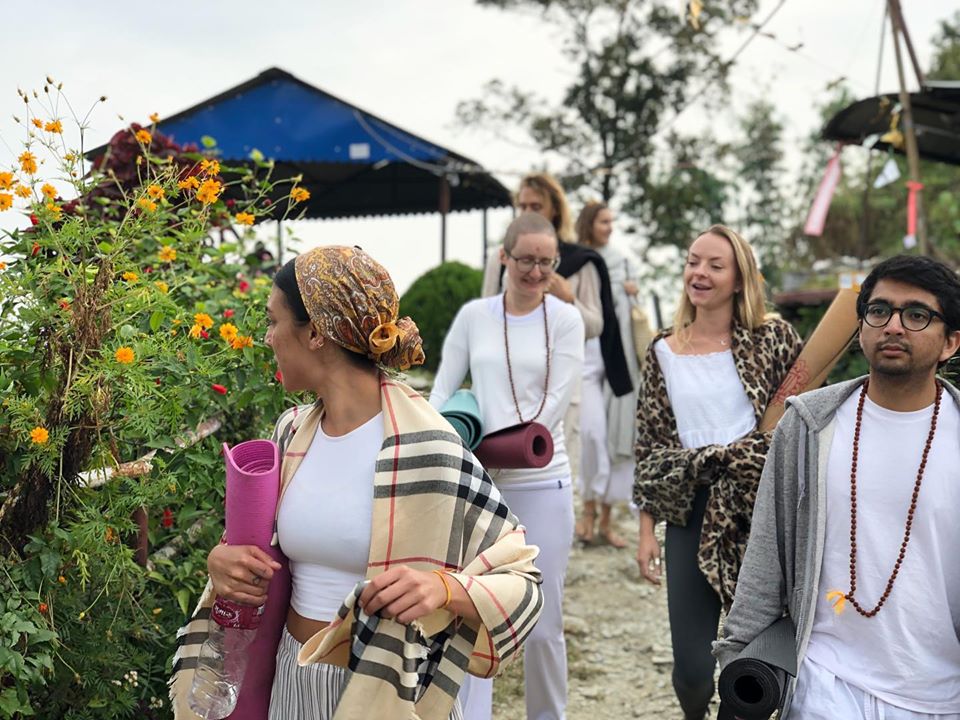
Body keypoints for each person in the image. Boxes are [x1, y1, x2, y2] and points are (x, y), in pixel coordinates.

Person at [169, 246, 544, 720]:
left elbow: (523, 580)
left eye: (273, 321)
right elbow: (259, 552)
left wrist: (445, 589)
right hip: (293, 680)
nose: (267, 338)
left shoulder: (428, 448)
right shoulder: (291, 433)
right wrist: (221, 561)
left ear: (316, 334)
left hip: (383, 692)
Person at [715, 254, 960, 719]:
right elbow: (766, 554)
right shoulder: (809, 426)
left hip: (938, 695)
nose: (893, 326)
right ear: (861, 326)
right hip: (824, 683)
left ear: (950, 342)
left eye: (917, 315)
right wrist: (737, 659)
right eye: (880, 311)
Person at [633, 225, 803, 720]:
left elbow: (804, 422)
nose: (699, 273)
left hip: (762, 506)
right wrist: (647, 530)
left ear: (738, 279)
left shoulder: (773, 338)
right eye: (693, 261)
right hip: (692, 508)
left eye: (714, 265)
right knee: (690, 664)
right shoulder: (662, 350)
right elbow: (651, 445)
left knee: (754, 650)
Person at [432, 212, 585, 720]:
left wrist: (505, 446)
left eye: (546, 262)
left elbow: (556, 402)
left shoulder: (565, 318)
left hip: (543, 477)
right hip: (479, 483)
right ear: (504, 257)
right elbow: (441, 392)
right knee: (471, 611)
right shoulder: (475, 315)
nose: (535, 271)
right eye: (526, 260)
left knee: (544, 621)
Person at [481, 173, 633, 491]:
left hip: (562, 387)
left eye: (535, 205)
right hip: (509, 386)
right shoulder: (501, 260)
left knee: (557, 479)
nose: (527, 212)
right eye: (521, 206)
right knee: (504, 479)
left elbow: (596, 326)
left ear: (554, 210)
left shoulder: (583, 263)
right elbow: (484, 320)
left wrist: (568, 300)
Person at [573, 201, 642, 547]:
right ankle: (586, 509)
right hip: (584, 356)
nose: (610, 227)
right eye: (604, 221)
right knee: (592, 435)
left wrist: (632, 293)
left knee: (618, 436)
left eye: (612, 221)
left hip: (619, 356)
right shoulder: (575, 258)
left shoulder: (623, 261)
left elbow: (631, 308)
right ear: (589, 223)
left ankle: (605, 520)